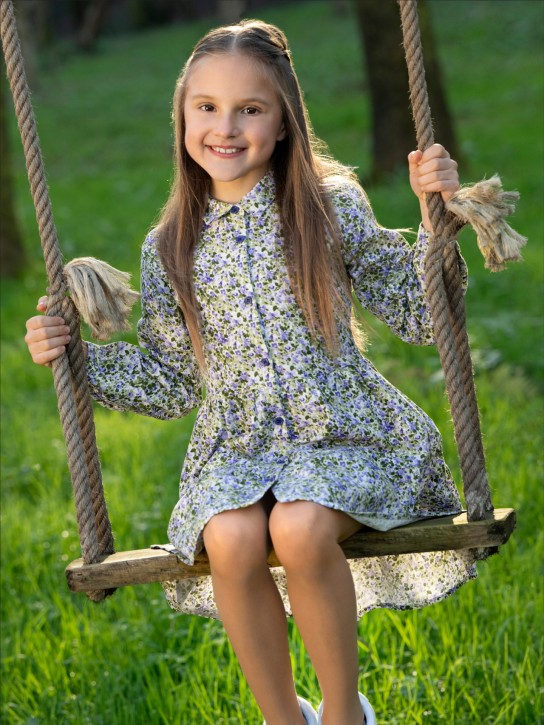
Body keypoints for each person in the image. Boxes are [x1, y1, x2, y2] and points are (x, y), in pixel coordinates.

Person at [24, 19, 478, 725]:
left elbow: (422, 317)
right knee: (229, 538)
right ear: (181, 117)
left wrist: (437, 221)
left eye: (250, 108)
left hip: (348, 437)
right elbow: (171, 381)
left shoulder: (327, 205)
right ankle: (282, 717)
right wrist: (75, 358)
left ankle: (344, 713)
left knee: (298, 526)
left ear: (284, 120)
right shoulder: (170, 244)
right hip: (237, 451)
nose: (225, 128)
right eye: (206, 106)